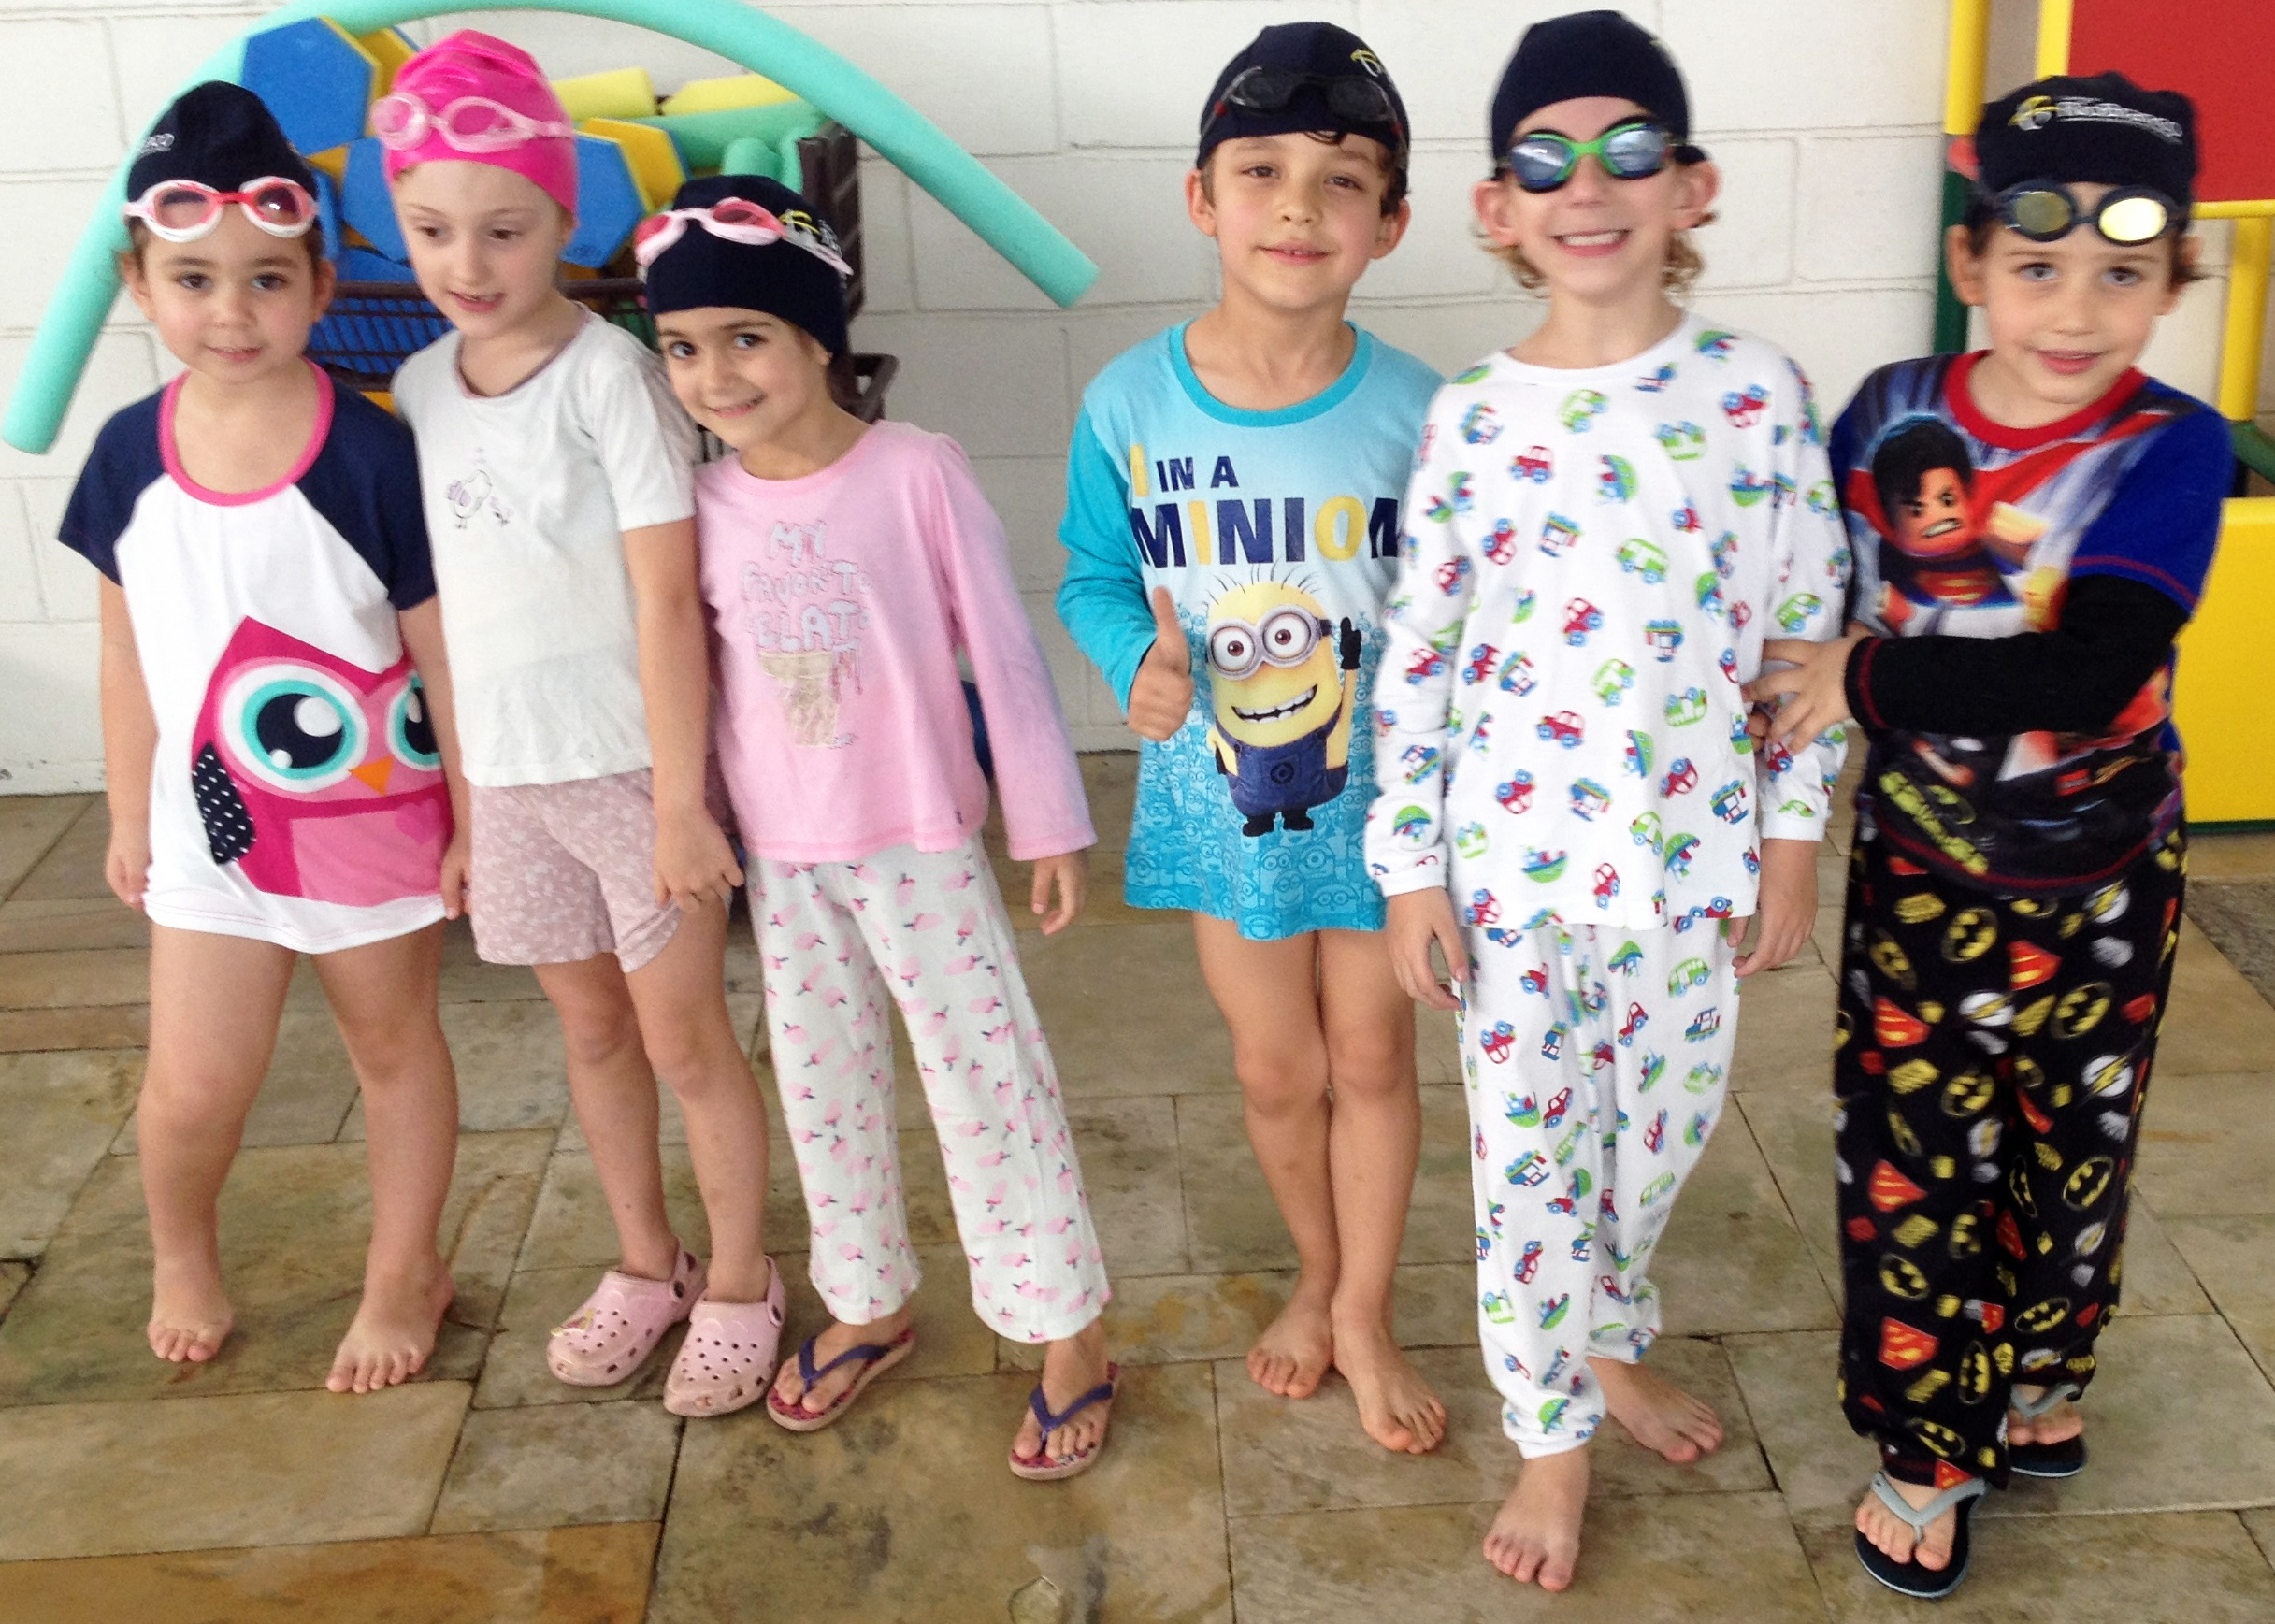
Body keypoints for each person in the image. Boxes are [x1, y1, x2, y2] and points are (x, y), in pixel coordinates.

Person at [1370, 9, 1850, 1589]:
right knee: (1528, 1167)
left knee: (1652, 1145)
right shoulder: (1471, 416)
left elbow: (1802, 638)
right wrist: (1409, 865)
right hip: (1509, 877)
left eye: (1628, 150)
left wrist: (1792, 837)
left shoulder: (1754, 394)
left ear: (1690, 185)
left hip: (1687, 867)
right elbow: (1420, 657)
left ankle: (1606, 1332)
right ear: (1495, 206)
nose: (1588, 184)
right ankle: (1550, 1436)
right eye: (1544, 158)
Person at [1748, 71, 2229, 1602]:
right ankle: (1926, 1442)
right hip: (1921, 879)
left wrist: (1868, 679)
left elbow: (2089, 666)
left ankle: (2040, 1375)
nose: (2073, 309)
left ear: (2172, 279)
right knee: (1914, 1163)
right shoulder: (1885, 415)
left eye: (2121, 272)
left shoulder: (2171, 444)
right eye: (2035, 264)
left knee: (2074, 1148)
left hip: (2107, 878)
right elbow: (1795, 601)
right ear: (1969, 261)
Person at [641, 174, 1118, 1476]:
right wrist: (694, 819)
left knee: (986, 1084)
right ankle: (866, 1301)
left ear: (817, 338)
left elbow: (1001, 650)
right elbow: (699, 680)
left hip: (918, 842)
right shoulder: (700, 507)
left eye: (746, 337)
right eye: (683, 347)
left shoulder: (915, 472)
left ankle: (1067, 1331)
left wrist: (1047, 823)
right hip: (785, 858)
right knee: (824, 1092)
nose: (714, 375)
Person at [1056, 21, 1449, 1456]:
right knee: (1275, 1069)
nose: (1297, 205)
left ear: (1387, 223)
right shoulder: (1129, 401)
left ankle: (1366, 1311)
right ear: (1200, 198)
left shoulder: (1425, 413)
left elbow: (1461, 615)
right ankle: (1315, 1271)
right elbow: (1093, 577)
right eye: (1260, 171)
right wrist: (1135, 665)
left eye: (1341, 180)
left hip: (1384, 808)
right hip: (1221, 809)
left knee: (1374, 1059)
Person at [382, 32, 775, 1416]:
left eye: (504, 228)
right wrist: (464, 810)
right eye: (433, 229)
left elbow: (669, 598)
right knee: (593, 1035)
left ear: (563, 218)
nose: (468, 261)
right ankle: (647, 1259)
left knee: (683, 1040)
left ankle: (742, 1278)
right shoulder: (419, 389)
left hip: (628, 773)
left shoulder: (611, 374)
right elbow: (440, 622)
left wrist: (678, 801)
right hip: (511, 782)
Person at [60, 82, 468, 1393]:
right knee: (191, 1086)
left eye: (266, 280)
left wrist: (472, 817)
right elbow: (126, 653)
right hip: (205, 833)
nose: (230, 312)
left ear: (322, 285)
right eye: (194, 280)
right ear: (140, 284)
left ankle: (404, 1272)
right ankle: (183, 1255)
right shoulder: (126, 458)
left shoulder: (371, 457)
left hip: (370, 821)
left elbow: (439, 653)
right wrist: (129, 811)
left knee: (392, 1049)